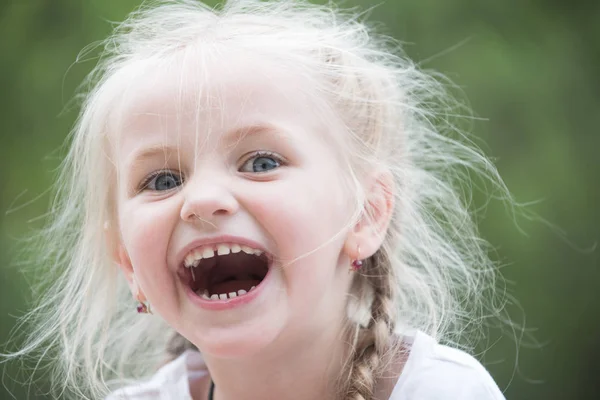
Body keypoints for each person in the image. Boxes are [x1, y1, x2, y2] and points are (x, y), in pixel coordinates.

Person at [5, 0, 511, 398]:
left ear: (365, 214)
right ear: (129, 264)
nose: (200, 200)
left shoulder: (440, 392)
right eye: (161, 180)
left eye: (261, 163)